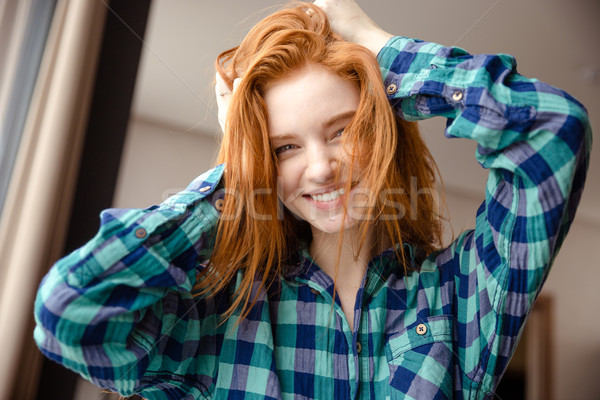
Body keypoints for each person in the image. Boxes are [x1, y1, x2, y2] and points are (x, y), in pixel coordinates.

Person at [33, 1, 591, 399]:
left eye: (344, 130)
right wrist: (242, 169)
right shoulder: (216, 320)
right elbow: (70, 310)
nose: (321, 167)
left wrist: (383, 54)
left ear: (382, 128)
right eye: (284, 147)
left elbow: (551, 131)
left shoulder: (456, 297)